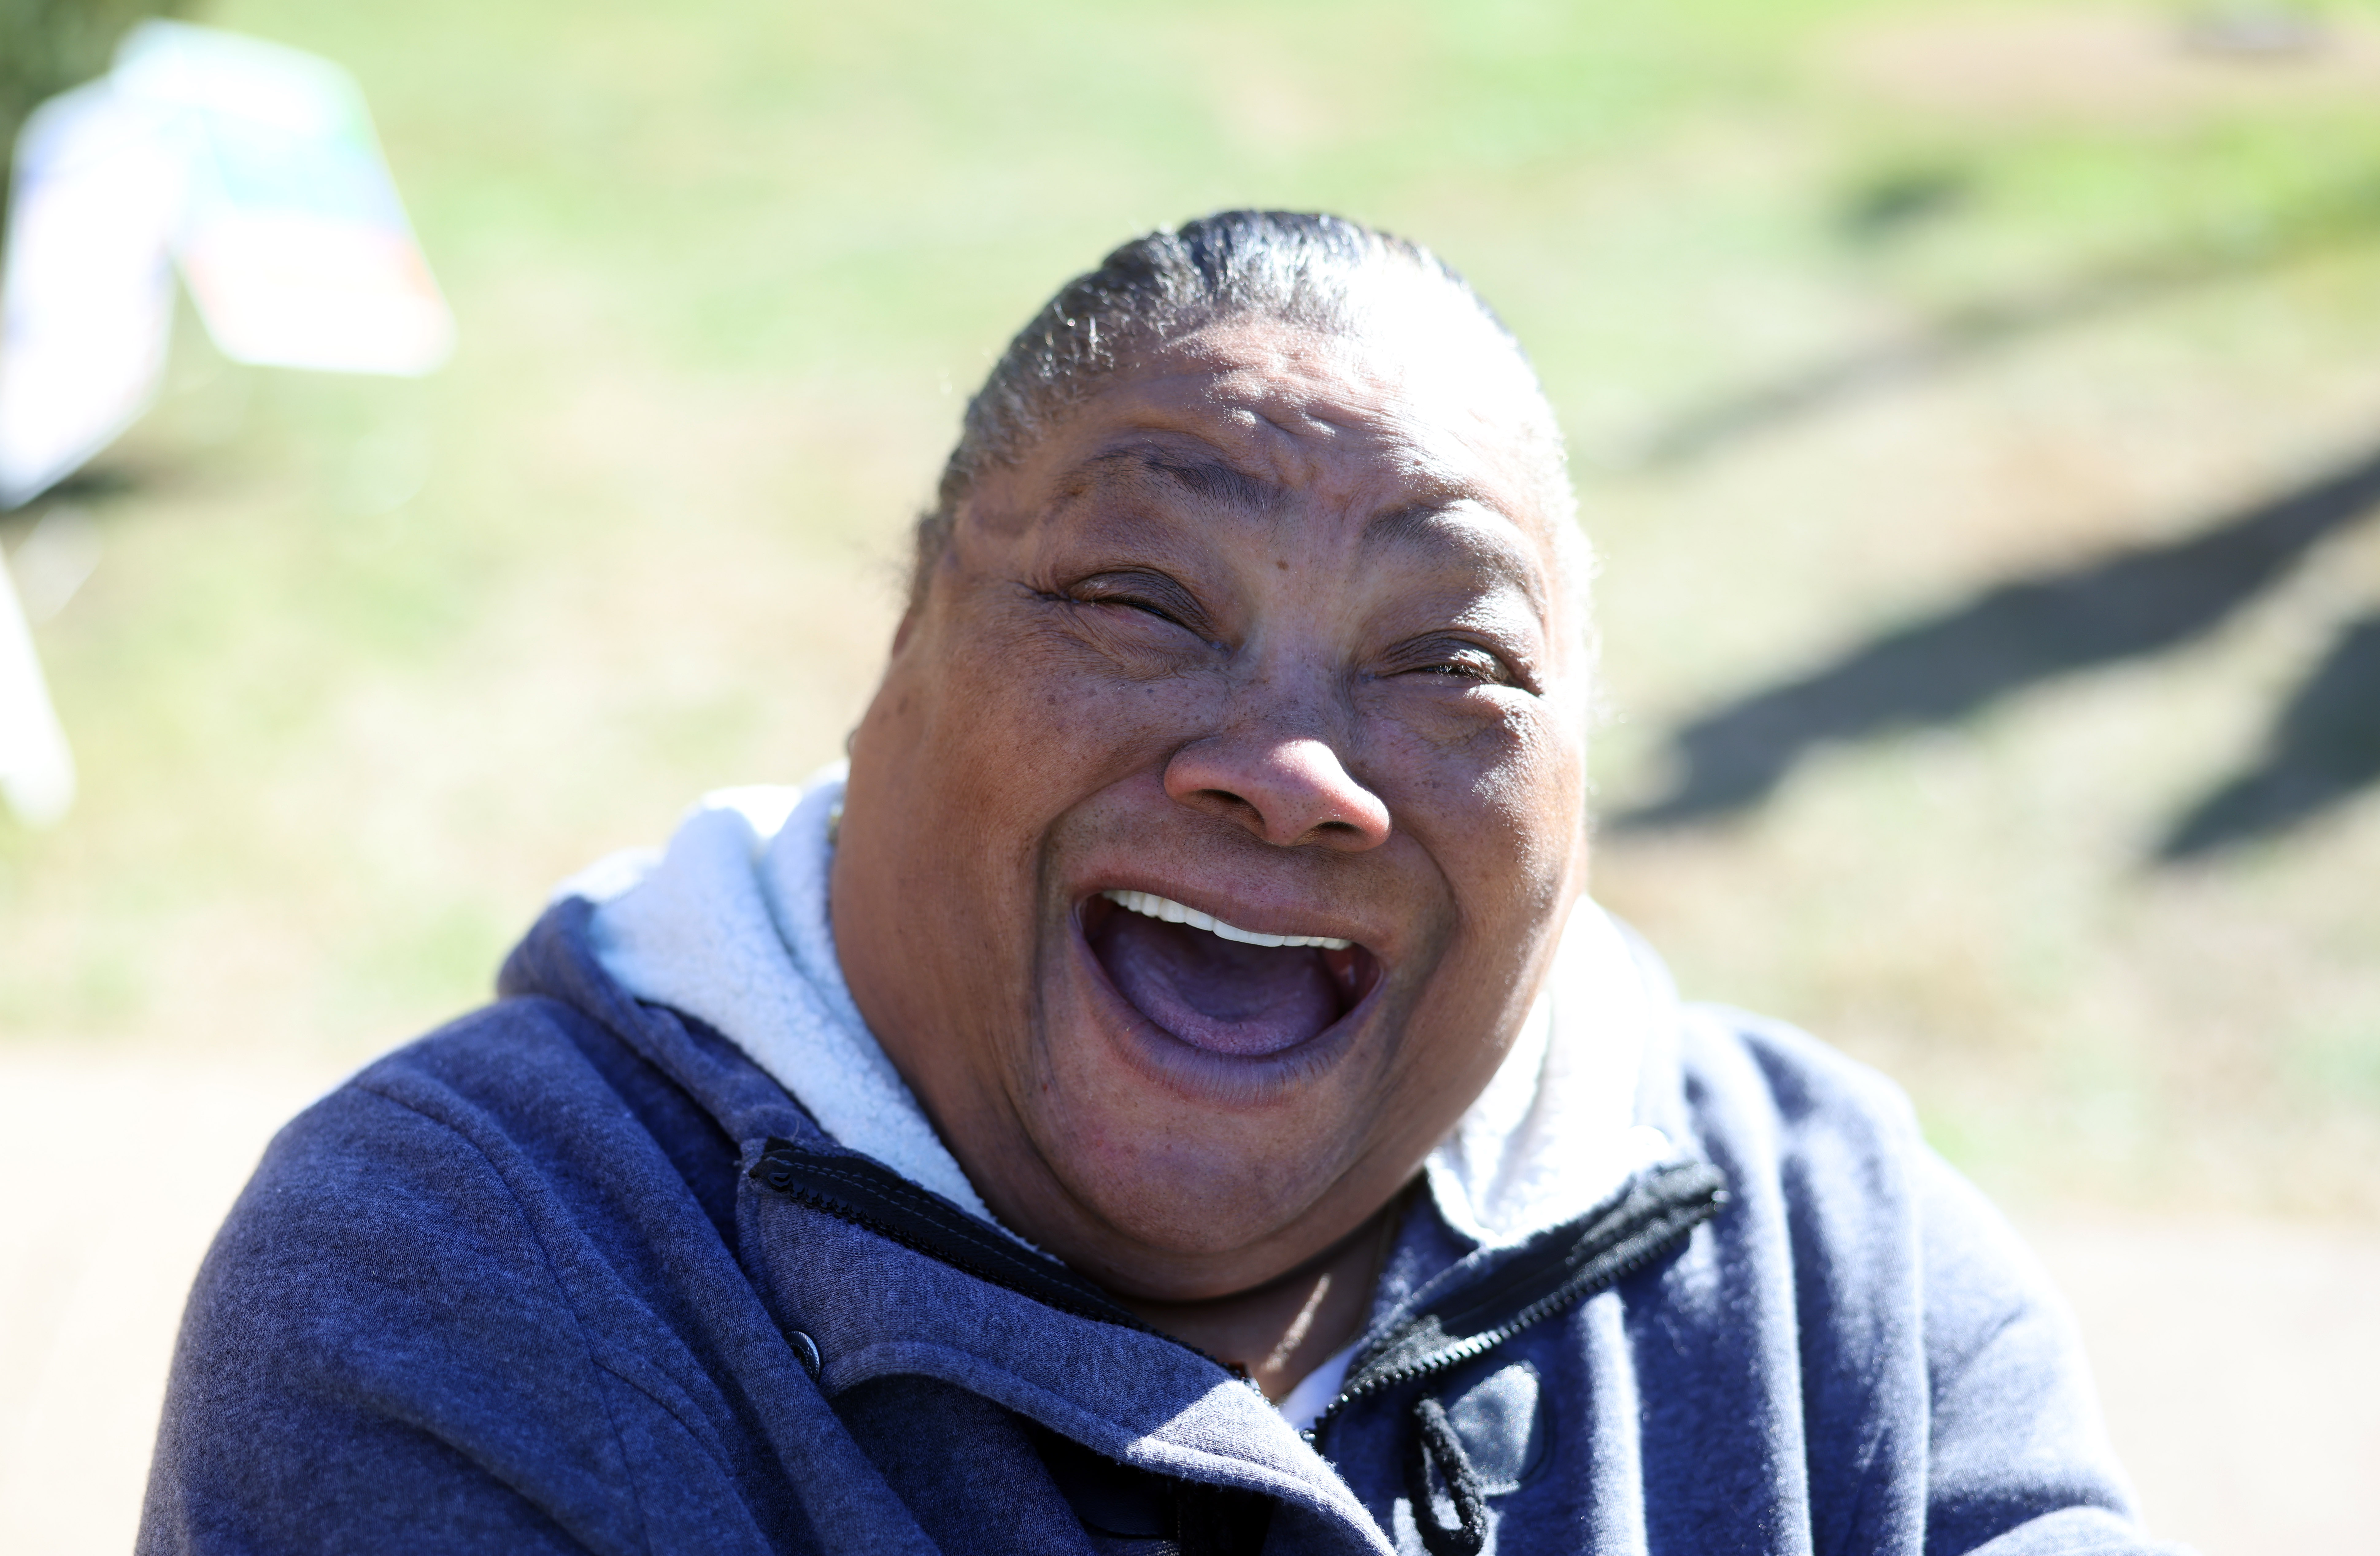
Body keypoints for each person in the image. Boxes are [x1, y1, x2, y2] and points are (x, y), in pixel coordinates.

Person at [138, 211, 2180, 1556]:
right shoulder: (465, 1274)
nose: (1296, 777)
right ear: (889, 673)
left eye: (1450, 662)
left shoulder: (1851, 1286)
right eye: (1137, 597)